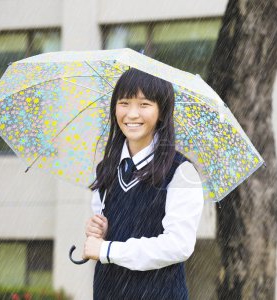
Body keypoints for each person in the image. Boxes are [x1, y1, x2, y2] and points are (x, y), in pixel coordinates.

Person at [83, 68, 204, 299]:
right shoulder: (106, 169)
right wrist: (102, 232)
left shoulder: (181, 172)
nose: (132, 114)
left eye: (144, 104)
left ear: (161, 112)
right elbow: (116, 231)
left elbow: (178, 245)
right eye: (124, 103)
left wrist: (108, 249)